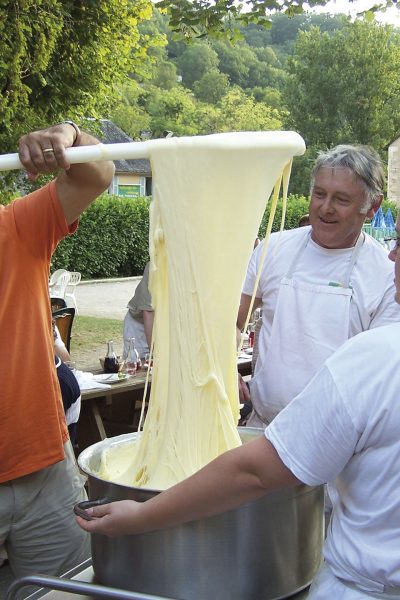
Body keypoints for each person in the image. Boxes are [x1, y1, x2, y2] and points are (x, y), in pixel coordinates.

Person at [77, 221, 400, 599]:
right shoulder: (284, 253)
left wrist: (142, 516)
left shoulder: (377, 358)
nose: (391, 252)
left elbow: (253, 473)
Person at [0, 122, 115, 579]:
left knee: (68, 591)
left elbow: (98, 173)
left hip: (42, 467)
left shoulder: (14, 228)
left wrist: (68, 135)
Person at [237, 144, 400, 426]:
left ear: (372, 207)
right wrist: (227, 365)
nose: (325, 208)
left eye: (341, 199)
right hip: (265, 424)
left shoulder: (386, 276)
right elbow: (232, 319)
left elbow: (379, 377)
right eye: (319, 194)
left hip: (338, 443)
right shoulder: (274, 249)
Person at [123, 262, 154, 360]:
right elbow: (148, 312)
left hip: (165, 328)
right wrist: (154, 355)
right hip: (140, 329)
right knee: (141, 369)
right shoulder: (155, 267)